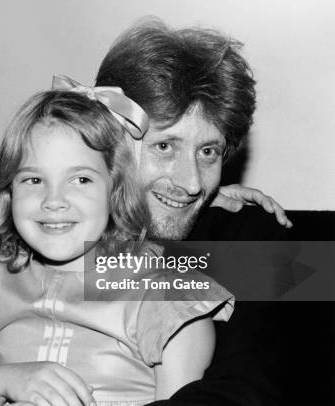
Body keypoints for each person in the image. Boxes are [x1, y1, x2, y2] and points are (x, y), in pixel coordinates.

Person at [0, 87, 235, 406]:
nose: (54, 201)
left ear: (115, 188)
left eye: (81, 180)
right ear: (9, 191)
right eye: (33, 180)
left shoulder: (168, 297)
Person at [94, 19, 291, 405]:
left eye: (208, 152)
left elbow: (248, 388)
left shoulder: (251, 235)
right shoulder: (61, 229)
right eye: (165, 146)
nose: (192, 183)